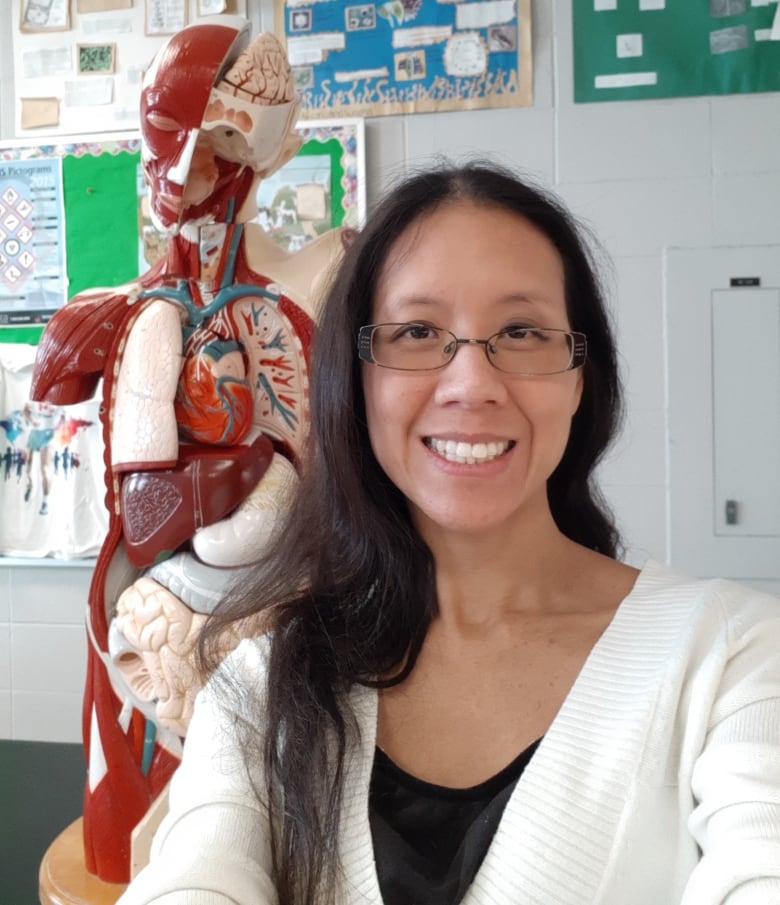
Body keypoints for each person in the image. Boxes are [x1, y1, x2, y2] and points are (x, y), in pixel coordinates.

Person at [118, 162, 780, 905]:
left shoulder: (733, 657)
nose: (471, 384)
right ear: (357, 379)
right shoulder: (261, 685)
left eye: (522, 330)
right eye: (418, 331)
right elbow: (196, 879)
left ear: (579, 378)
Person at [30, 16, 347, 883]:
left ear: (260, 156)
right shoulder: (132, 314)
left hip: (295, 604)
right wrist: (242, 475)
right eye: (184, 148)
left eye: (223, 147)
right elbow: (143, 511)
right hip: (168, 601)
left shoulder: (324, 276)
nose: (196, 178)